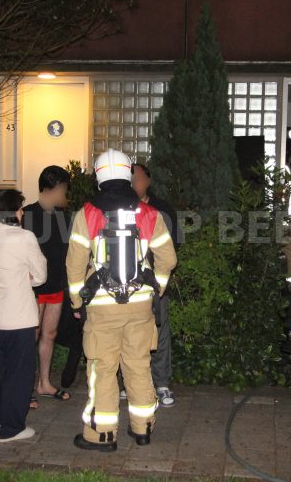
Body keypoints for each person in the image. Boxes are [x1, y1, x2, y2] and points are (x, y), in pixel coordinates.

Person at [67, 149, 177, 451]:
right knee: (139, 366)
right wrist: (158, 289)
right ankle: (143, 429)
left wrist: (78, 302)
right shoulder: (149, 213)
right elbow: (168, 259)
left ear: (97, 175)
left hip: (101, 309)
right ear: (129, 173)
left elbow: (75, 266)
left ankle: (101, 435)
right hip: (141, 306)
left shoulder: (86, 213)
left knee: (102, 369)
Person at [0, 189, 47, 443]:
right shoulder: (24, 237)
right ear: (13, 211)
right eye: (20, 208)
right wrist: (27, 276)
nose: (22, 213)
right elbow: (40, 275)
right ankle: (12, 428)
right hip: (17, 317)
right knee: (18, 375)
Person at [22, 166, 72, 403]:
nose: (65, 193)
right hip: (33, 287)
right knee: (32, 334)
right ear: (51, 188)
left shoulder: (65, 216)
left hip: (55, 284)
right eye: (63, 188)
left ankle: (44, 383)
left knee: (49, 333)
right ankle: (25, 387)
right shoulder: (27, 214)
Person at [130, 163, 178, 408]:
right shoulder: (121, 208)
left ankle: (161, 382)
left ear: (148, 181)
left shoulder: (162, 210)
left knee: (159, 333)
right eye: (130, 178)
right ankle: (130, 383)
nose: (133, 183)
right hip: (128, 287)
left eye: (137, 178)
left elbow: (171, 251)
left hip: (156, 285)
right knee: (131, 336)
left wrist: (159, 285)